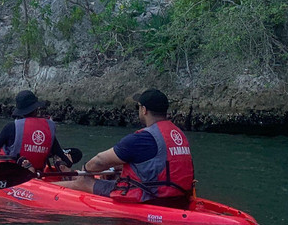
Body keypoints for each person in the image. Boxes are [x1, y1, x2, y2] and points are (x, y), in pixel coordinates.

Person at [54, 88, 193, 206]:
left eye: (138, 107)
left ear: (144, 110)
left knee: (84, 181)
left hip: (152, 198)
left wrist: (85, 171)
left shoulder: (143, 138)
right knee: (115, 172)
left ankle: (44, 187)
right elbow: (159, 164)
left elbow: (99, 161)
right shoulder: (178, 134)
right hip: (179, 197)